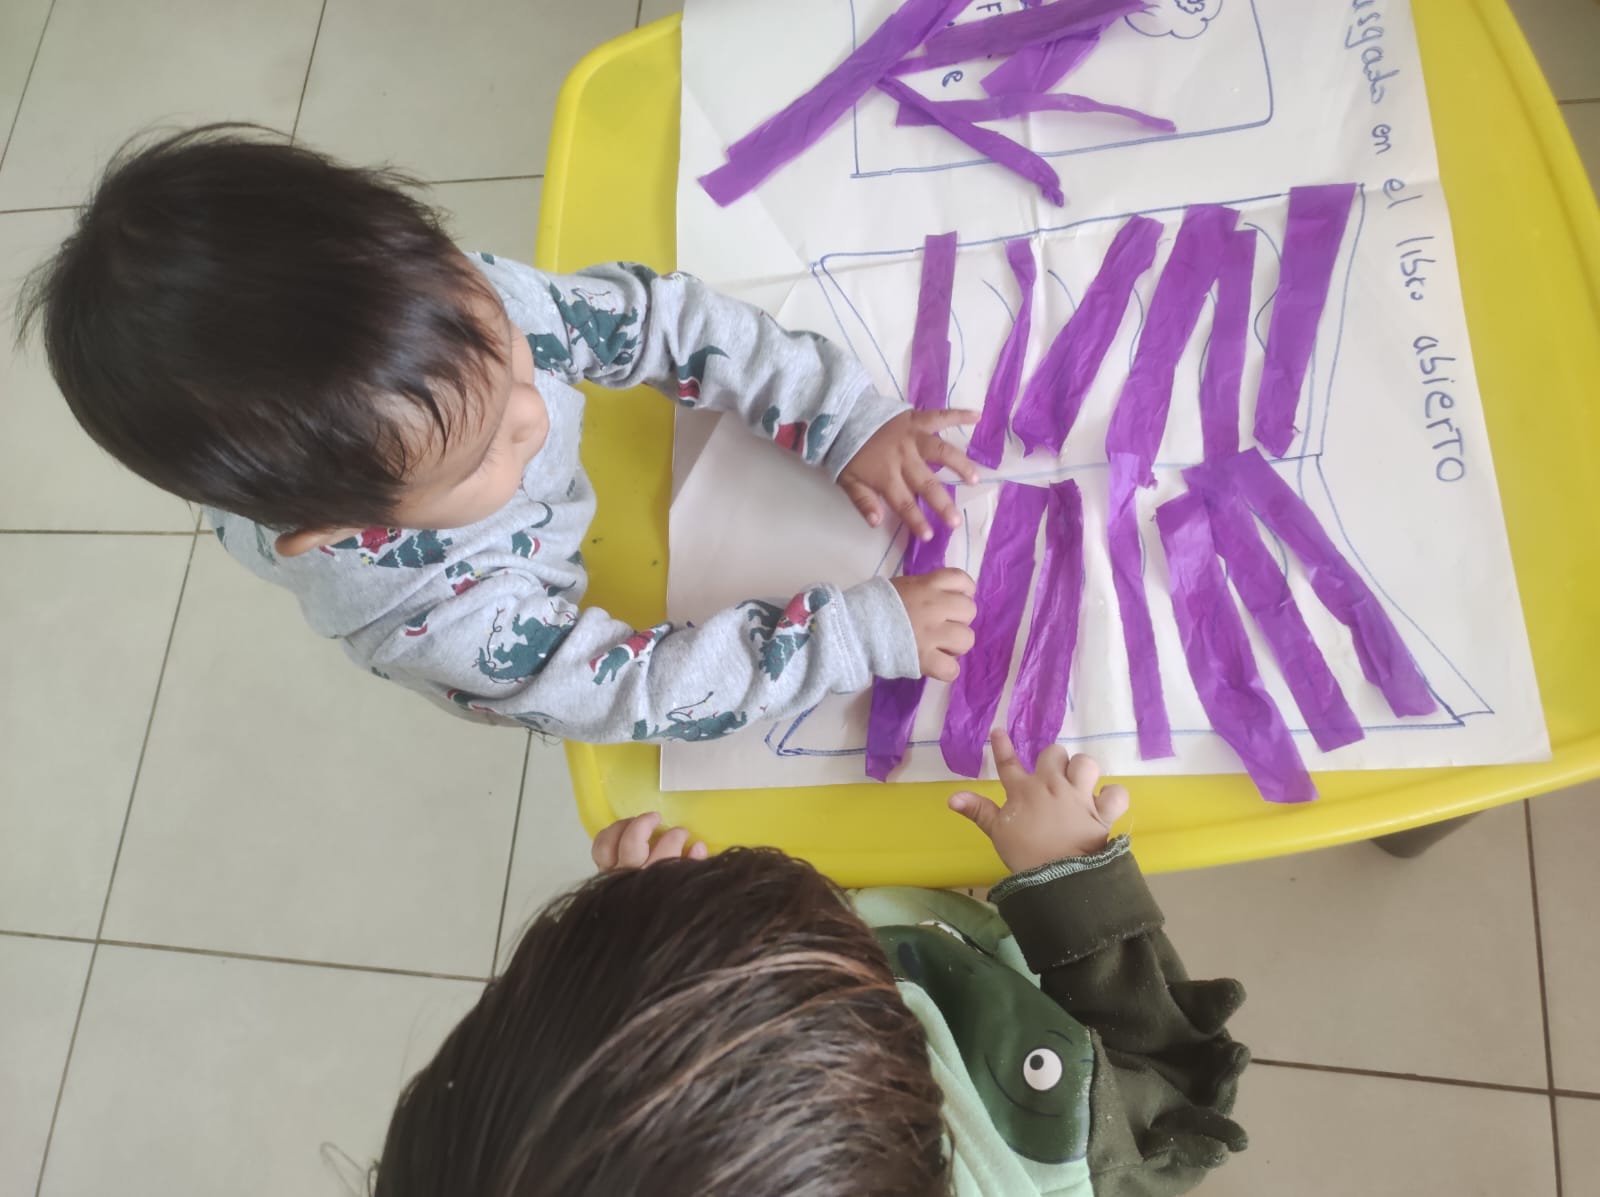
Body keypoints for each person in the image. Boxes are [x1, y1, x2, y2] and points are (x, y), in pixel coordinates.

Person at [15, 125, 978, 742]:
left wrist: (840, 417)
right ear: (346, 527)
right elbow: (633, 692)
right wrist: (849, 635)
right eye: (480, 454)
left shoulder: (444, 310)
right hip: (497, 585)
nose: (536, 410)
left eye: (513, 358)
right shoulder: (437, 621)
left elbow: (662, 321)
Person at [374, 731, 1248, 1197]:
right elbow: (1174, 1079)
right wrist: (1074, 883)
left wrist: (655, 922)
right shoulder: (1065, 1158)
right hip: (1004, 972)